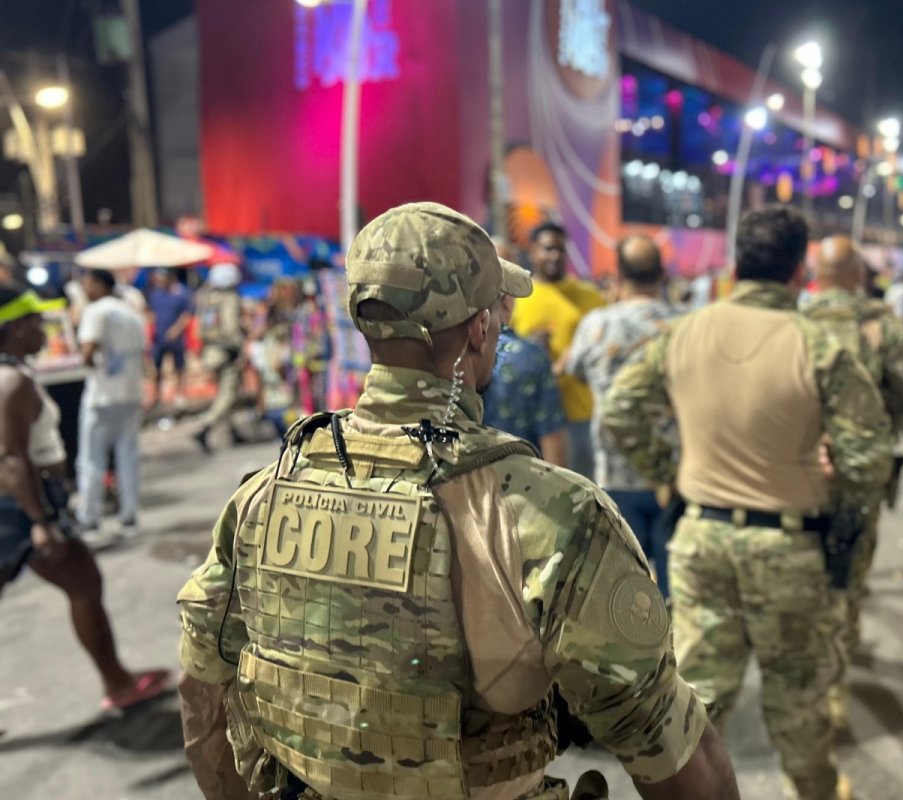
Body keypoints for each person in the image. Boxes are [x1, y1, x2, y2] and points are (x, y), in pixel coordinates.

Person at [176, 203, 738, 800]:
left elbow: (201, 692)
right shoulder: (549, 515)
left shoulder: (263, 495)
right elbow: (668, 744)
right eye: (496, 311)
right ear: (477, 331)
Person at [603, 206, 892, 800]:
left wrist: (671, 476)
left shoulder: (684, 332)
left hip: (701, 540)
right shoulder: (819, 344)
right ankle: (814, 790)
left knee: (697, 701)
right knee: (799, 698)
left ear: (737, 263)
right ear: (798, 270)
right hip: (788, 544)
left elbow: (619, 413)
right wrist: (836, 495)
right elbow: (870, 459)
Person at [0, 284, 168, 711]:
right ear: (14, 328)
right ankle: (119, 684)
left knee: (84, 583)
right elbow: (12, 459)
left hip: (23, 500)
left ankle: (118, 680)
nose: (43, 327)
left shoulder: (14, 374)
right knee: (84, 583)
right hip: (21, 504)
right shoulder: (11, 382)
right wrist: (41, 521)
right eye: (33, 321)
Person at [804, 237, 903, 656]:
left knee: (800, 568)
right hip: (859, 473)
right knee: (847, 572)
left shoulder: (789, 322)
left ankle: (809, 656)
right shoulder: (883, 326)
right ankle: (839, 660)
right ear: (859, 276)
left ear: (815, 275)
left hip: (792, 469)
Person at [564, 235, 679, 595]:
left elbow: (576, 370)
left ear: (618, 274)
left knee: (624, 600)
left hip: (614, 477)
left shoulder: (597, 324)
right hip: (676, 478)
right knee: (676, 596)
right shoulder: (686, 324)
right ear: (663, 273)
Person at [509, 222, 605, 478]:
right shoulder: (518, 296)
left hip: (580, 412)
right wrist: (527, 345)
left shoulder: (590, 296)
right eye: (548, 249)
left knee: (585, 492)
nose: (556, 256)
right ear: (532, 251)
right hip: (532, 416)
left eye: (561, 249)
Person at [75, 269, 147, 540]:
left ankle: (89, 518)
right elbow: (143, 354)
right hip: (130, 392)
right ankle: (129, 516)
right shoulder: (131, 313)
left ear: (98, 284)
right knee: (128, 457)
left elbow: (86, 352)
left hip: (101, 395)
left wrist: (88, 361)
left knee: (92, 459)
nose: (84, 287)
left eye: (86, 282)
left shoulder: (95, 312)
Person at [483, 305, 570, 467]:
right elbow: (552, 441)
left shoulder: (450, 349)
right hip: (521, 480)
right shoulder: (528, 355)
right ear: (507, 302)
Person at [193, 262, 247, 453]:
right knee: (228, 394)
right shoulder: (229, 299)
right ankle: (204, 428)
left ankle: (232, 432)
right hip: (226, 352)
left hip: (211, 351)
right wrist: (238, 346)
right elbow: (231, 327)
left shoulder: (209, 299)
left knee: (225, 393)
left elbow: (200, 329)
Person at [146, 268, 194, 407]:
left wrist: (175, 331)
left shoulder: (182, 295)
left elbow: (186, 316)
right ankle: (157, 397)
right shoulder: (155, 294)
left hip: (176, 339)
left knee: (179, 367)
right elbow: (151, 313)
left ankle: (179, 394)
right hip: (159, 338)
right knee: (156, 368)